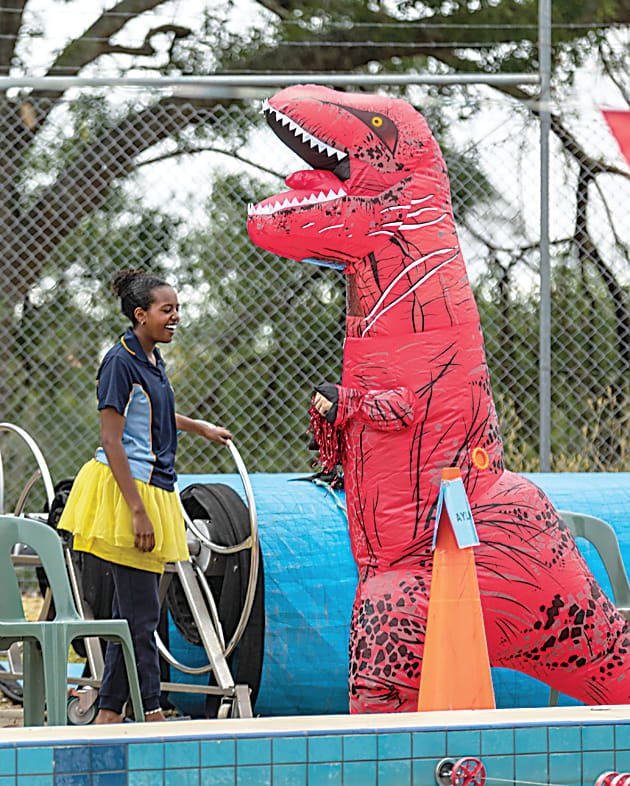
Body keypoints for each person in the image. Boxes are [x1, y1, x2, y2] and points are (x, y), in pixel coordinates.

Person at [58, 269, 232, 723]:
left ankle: (111, 713)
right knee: (142, 614)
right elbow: (112, 439)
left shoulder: (151, 359)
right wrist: (136, 511)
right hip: (124, 493)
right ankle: (151, 709)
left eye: (177, 309)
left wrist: (201, 428)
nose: (176, 317)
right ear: (141, 314)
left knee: (132, 611)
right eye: (166, 310)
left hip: (154, 488)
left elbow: (158, 411)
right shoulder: (119, 362)